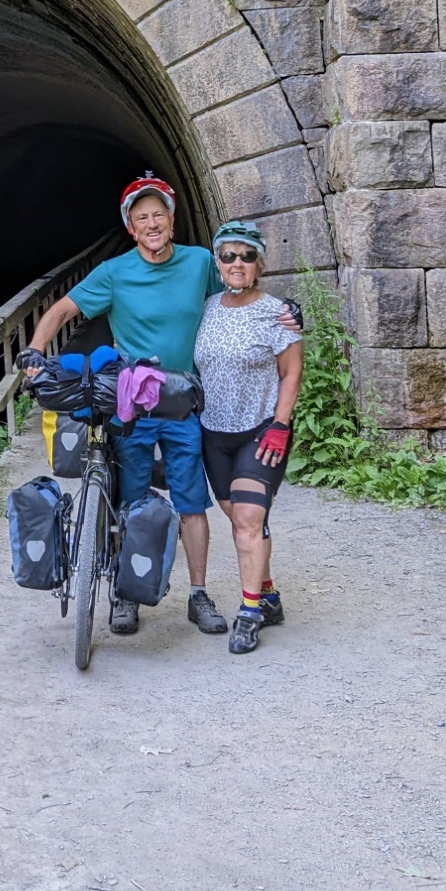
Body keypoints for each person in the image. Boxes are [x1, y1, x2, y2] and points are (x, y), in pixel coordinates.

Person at [22, 174, 237, 638]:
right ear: (131, 228)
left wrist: (278, 315)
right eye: (142, 218)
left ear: (172, 222)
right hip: (132, 401)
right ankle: (126, 595)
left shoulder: (199, 262)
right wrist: (36, 354)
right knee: (129, 499)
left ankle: (199, 594)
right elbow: (62, 311)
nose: (152, 223)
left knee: (191, 501)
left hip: (183, 400)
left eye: (159, 215)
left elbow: (234, 293)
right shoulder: (115, 272)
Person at [195, 219, 303, 656]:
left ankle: (250, 612)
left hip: (260, 431)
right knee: (239, 517)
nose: (237, 263)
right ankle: (269, 593)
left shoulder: (278, 314)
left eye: (247, 256)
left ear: (259, 263)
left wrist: (281, 424)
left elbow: (291, 372)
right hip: (213, 431)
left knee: (247, 520)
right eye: (228, 255)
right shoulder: (207, 308)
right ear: (218, 262)